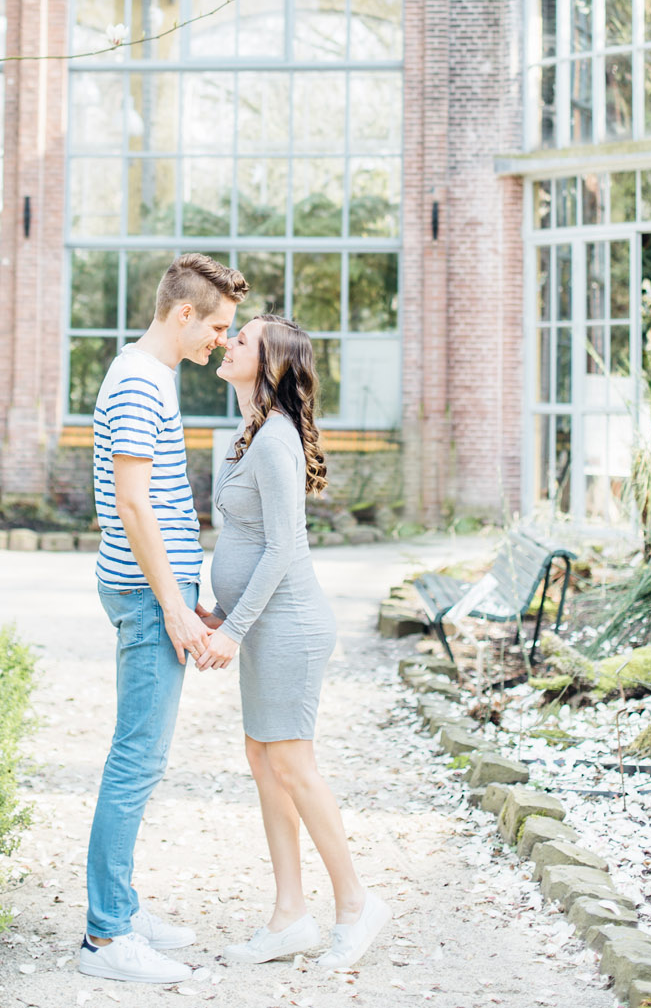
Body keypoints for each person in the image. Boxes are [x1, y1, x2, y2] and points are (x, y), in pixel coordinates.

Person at [197, 314, 390, 971]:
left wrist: (237, 629)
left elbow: (283, 549)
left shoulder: (276, 439)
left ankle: (358, 905)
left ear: (272, 365)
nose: (227, 342)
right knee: (263, 759)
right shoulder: (246, 434)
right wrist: (221, 612)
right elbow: (244, 542)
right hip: (260, 623)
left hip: (292, 626)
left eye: (242, 339)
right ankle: (289, 917)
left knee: (293, 764)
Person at [78, 253, 249, 985]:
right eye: (216, 327)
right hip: (150, 602)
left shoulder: (147, 375)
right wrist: (175, 607)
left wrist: (189, 592)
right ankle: (107, 938)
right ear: (183, 314)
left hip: (160, 594)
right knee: (135, 761)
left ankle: (121, 906)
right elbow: (134, 504)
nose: (219, 340)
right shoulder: (140, 382)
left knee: (139, 759)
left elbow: (162, 506)